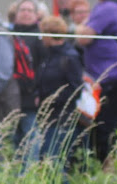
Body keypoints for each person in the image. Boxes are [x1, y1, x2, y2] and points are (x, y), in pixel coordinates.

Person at [74, 0, 117, 163]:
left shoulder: (107, 8)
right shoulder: (113, 4)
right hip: (108, 78)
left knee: (104, 129)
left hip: (107, 81)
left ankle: (107, 173)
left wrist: (79, 28)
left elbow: (84, 38)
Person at [35, 16, 84, 173]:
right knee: (47, 158)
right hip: (49, 115)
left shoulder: (70, 56)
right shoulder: (50, 54)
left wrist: (52, 101)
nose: (42, 38)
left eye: (43, 34)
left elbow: (76, 89)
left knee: (53, 159)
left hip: (62, 116)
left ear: (50, 34)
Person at [10, 0, 45, 155]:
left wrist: (38, 92)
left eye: (30, 10)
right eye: (22, 10)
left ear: (37, 14)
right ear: (16, 13)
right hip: (8, 98)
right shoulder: (8, 34)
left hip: (31, 98)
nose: (26, 13)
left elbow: (43, 68)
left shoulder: (41, 37)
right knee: (8, 142)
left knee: (31, 142)